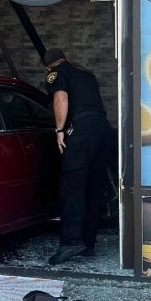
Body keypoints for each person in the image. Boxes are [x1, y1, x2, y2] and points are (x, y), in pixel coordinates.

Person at [43, 47, 112, 265]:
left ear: (49, 66)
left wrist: (59, 130)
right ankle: (88, 243)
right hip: (102, 131)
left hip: (80, 132)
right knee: (94, 187)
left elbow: (61, 99)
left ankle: (71, 242)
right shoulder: (85, 74)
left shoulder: (58, 73)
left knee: (72, 187)